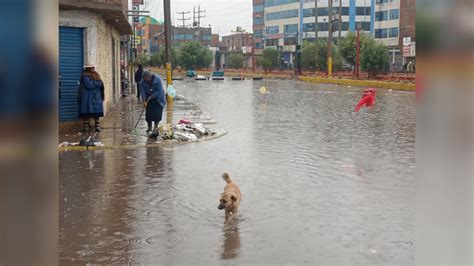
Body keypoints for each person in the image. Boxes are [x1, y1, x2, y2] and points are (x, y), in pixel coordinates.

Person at [78, 64, 104, 133]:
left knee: (96, 113)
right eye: (92, 67)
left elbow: (101, 83)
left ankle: (97, 126)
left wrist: (94, 83)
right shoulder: (85, 76)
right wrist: (96, 83)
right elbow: (89, 85)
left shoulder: (96, 74)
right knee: (86, 113)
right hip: (87, 97)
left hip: (95, 97)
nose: (93, 68)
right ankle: (86, 127)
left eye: (93, 67)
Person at [140, 70, 166, 137]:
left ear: (150, 77)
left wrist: (151, 96)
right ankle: (149, 128)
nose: (146, 80)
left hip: (158, 99)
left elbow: (160, 91)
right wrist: (144, 100)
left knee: (157, 114)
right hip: (149, 100)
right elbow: (142, 92)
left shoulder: (158, 80)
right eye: (145, 79)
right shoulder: (142, 82)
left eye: (147, 79)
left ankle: (155, 128)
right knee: (149, 115)